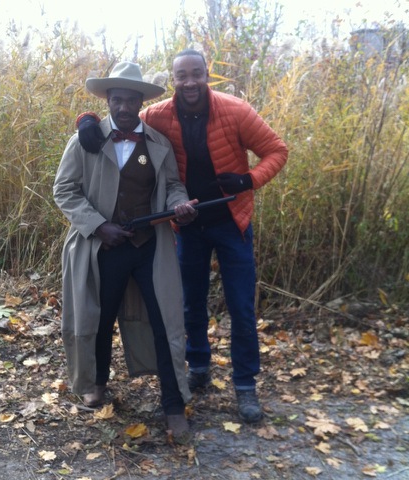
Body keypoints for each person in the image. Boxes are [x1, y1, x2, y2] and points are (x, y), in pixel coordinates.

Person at [76, 49, 289, 423]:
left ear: (208, 75)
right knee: (188, 303)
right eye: (182, 76)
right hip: (187, 226)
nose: (189, 82)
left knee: (240, 306)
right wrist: (86, 120)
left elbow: (277, 150)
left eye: (196, 74)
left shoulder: (235, 111)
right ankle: (199, 367)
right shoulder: (159, 116)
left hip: (231, 222)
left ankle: (244, 385)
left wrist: (249, 180)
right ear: (173, 80)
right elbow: (122, 120)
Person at [53, 61, 198, 438]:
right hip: (100, 247)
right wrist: (99, 226)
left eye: (129, 100)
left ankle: (173, 405)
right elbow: (64, 191)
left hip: (149, 245)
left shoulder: (158, 144)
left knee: (166, 322)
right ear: (107, 100)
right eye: (116, 99)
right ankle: (97, 383)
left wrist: (181, 206)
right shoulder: (84, 140)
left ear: (139, 102)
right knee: (98, 319)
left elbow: (173, 186)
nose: (122, 106)